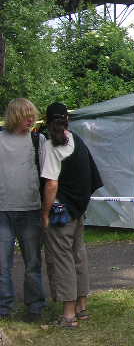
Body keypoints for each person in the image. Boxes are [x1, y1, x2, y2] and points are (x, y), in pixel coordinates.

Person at [41, 102, 103, 328]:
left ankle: (68, 315)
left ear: (47, 121)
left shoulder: (50, 145)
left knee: (62, 259)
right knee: (78, 256)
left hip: (60, 212)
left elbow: (51, 184)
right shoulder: (77, 140)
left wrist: (45, 213)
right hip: (78, 210)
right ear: (67, 119)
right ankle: (81, 308)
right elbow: (91, 175)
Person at [0, 98, 47, 322]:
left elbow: (48, 175)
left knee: (33, 263)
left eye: (32, 115)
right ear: (15, 116)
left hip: (31, 210)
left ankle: (35, 307)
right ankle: (4, 308)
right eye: (26, 116)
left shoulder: (38, 139)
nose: (31, 119)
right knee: (2, 265)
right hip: (2, 211)